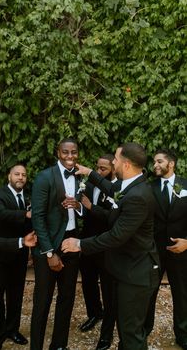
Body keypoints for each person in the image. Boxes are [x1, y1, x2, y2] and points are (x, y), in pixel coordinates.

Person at [62, 142, 160, 350]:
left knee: (131, 333)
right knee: (127, 331)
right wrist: (90, 172)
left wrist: (79, 244)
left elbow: (116, 237)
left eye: (115, 159)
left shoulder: (138, 197)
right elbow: (111, 188)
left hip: (136, 274)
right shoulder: (132, 184)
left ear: (125, 165)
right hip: (126, 269)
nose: (112, 162)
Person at [30, 137, 82, 350]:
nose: (70, 157)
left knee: (67, 297)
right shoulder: (45, 177)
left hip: (72, 242)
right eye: (65, 152)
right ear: (58, 153)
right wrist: (49, 253)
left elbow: (82, 209)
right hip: (49, 245)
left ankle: (59, 345)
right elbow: (38, 217)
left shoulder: (80, 176)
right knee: (42, 301)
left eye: (74, 152)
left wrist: (78, 206)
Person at [0, 164, 34, 350]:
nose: (21, 177)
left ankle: (12, 330)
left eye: (24, 175)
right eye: (17, 174)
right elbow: (0, 214)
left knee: (16, 295)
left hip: (18, 254)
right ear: (9, 176)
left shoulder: (27, 198)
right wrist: (27, 213)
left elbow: (28, 226)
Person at [145, 149, 187, 350]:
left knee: (182, 294)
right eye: (154, 162)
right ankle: (143, 332)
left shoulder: (186, 185)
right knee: (148, 293)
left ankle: (183, 335)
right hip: (154, 252)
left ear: (171, 164)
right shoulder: (148, 187)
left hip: (182, 252)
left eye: (159, 161)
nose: (155, 165)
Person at [79, 154, 119, 350]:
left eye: (103, 169)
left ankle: (108, 332)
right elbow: (83, 211)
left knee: (108, 289)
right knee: (88, 280)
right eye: (97, 168)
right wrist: (79, 207)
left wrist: (90, 207)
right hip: (87, 241)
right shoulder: (90, 185)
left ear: (113, 167)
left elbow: (112, 218)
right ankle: (94, 313)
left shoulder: (118, 189)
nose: (99, 171)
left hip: (106, 245)